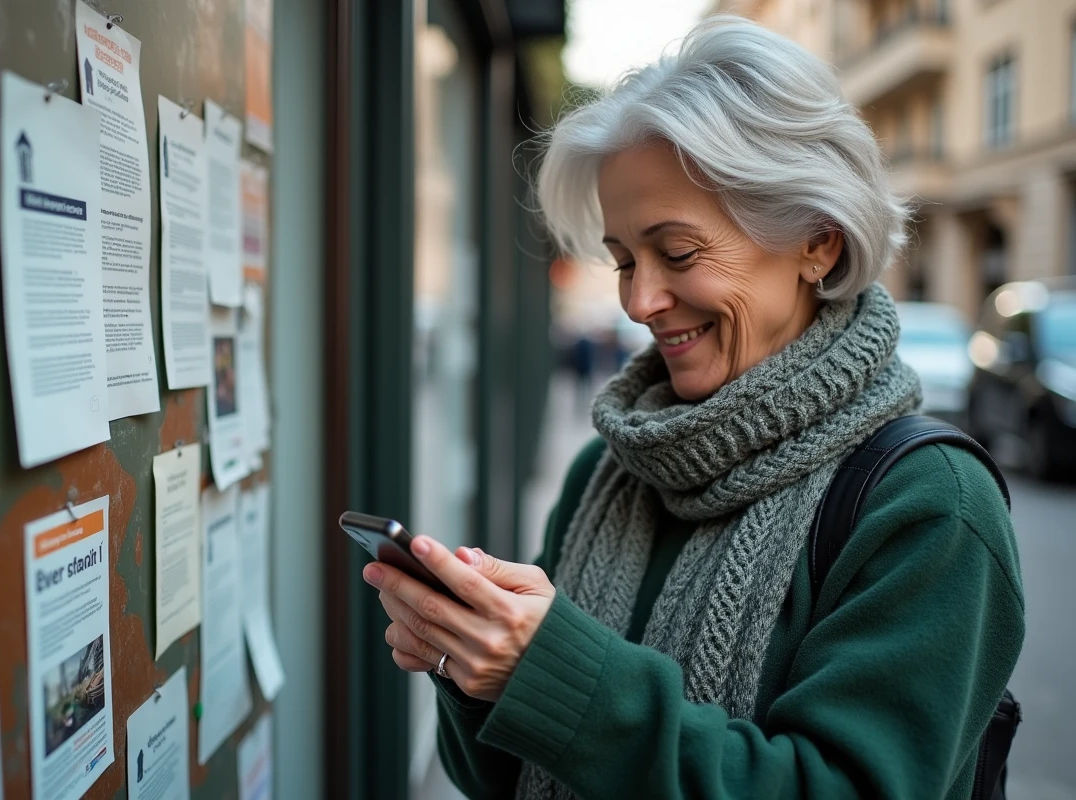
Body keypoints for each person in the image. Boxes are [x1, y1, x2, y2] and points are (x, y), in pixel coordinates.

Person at [362, 16, 1023, 799]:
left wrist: (559, 675)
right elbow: (500, 780)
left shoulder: (930, 505)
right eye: (623, 262)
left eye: (677, 252)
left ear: (819, 242)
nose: (640, 301)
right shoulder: (607, 469)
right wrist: (476, 666)